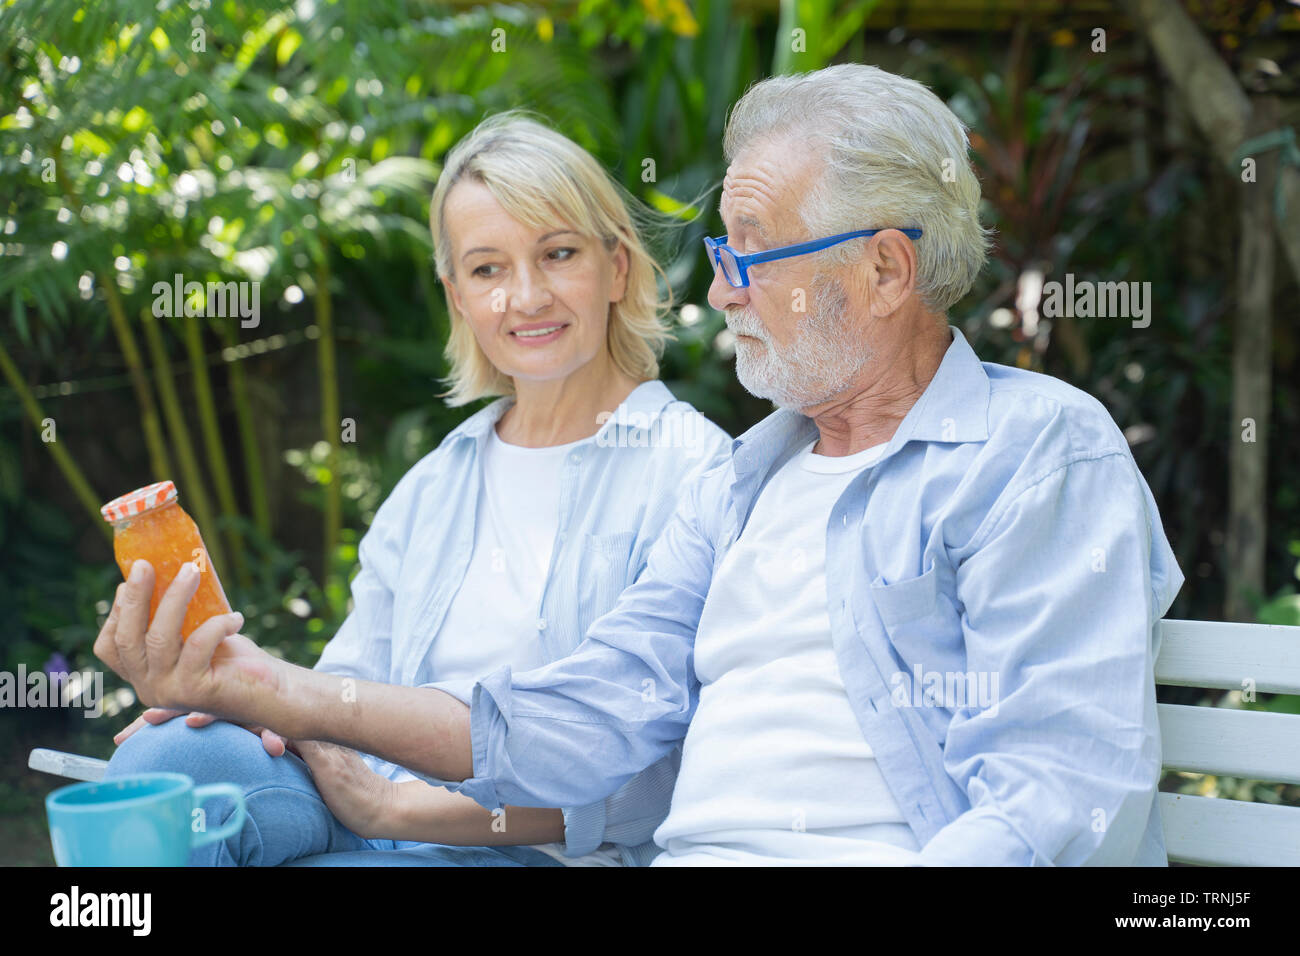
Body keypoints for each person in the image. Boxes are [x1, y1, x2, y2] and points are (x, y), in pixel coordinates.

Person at [97, 64, 1184, 866]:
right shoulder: (741, 485)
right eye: (719, 258)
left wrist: (396, 808)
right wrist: (263, 689)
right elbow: (574, 722)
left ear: (885, 268)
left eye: (747, 254)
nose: (720, 294)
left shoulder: (1034, 451)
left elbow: (1058, 793)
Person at [102, 111, 731, 867]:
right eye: (487, 269)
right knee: (167, 766)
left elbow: (653, 780)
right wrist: (238, 695)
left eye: (558, 253)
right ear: (456, 293)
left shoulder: (694, 471)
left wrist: (392, 805)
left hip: (532, 850)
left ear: (618, 268)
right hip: (370, 815)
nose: (525, 297)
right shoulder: (438, 481)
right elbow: (344, 689)